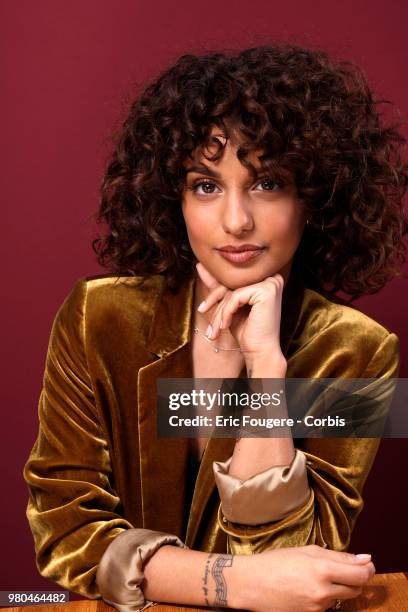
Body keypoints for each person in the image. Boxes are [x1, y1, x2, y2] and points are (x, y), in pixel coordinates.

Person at [23, 44, 407, 612]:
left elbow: (304, 568)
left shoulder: (359, 352)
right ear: (171, 197)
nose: (236, 221)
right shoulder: (95, 319)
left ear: (313, 197)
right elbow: (66, 534)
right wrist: (234, 581)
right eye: (206, 185)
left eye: (266, 182)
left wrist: (269, 372)